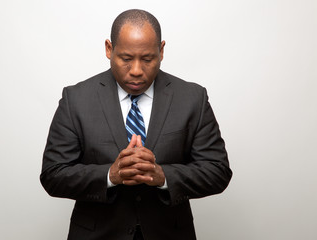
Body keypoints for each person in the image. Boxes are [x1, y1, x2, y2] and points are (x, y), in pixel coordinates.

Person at [40, 9, 232, 240]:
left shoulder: (192, 98)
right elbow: (53, 174)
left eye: (148, 59)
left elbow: (217, 171)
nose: (137, 71)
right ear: (109, 49)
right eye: (126, 59)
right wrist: (110, 175)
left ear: (161, 50)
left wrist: (163, 176)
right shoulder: (76, 99)